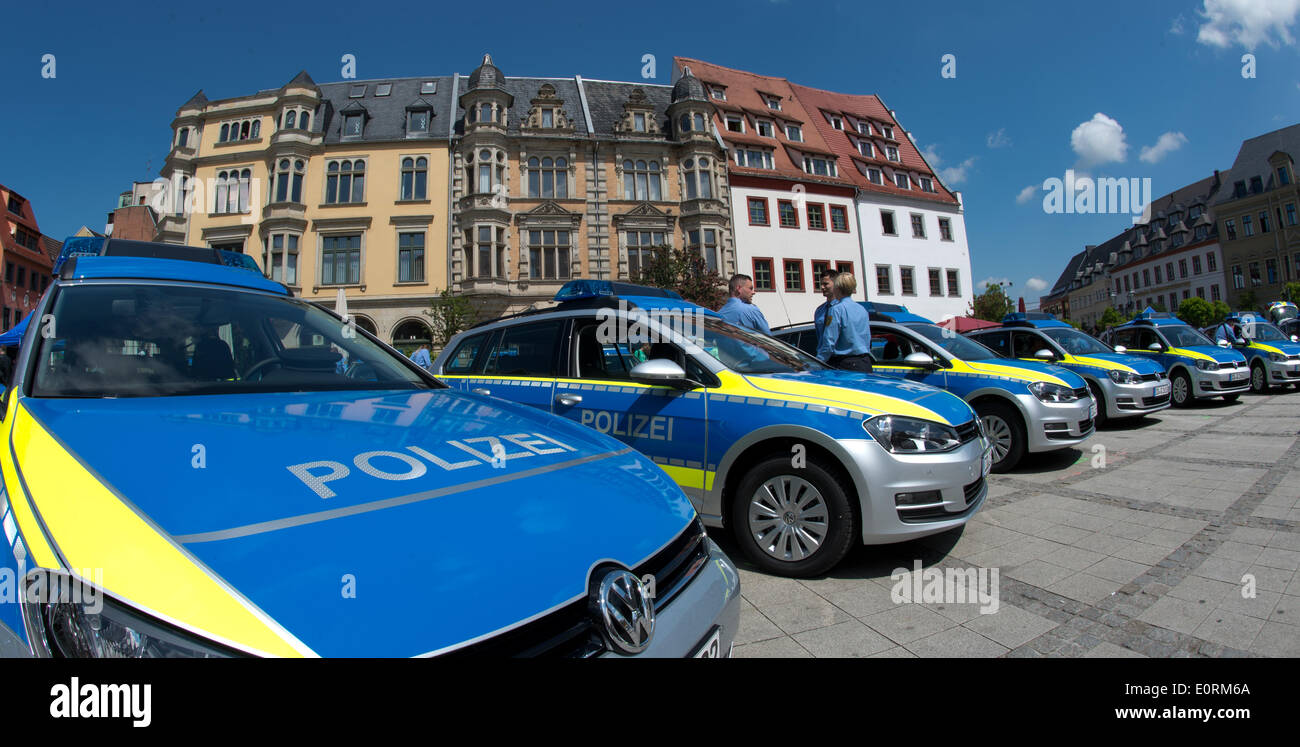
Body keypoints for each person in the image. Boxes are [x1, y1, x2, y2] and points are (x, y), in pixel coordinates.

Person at [816, 273, 873, 371]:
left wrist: (818, 362)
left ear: (837, 288)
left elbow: (829, 341)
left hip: (845, 364)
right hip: (864, 362)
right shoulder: (862, 309)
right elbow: (867, 338)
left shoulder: (836, 310)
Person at [813, 270, 839, 351]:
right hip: (824, 357)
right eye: (821, 284)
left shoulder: (842, 308)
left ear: (836, 284)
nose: (822, 287)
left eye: (825, 284)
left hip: (840, 357)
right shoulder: (819, 311)